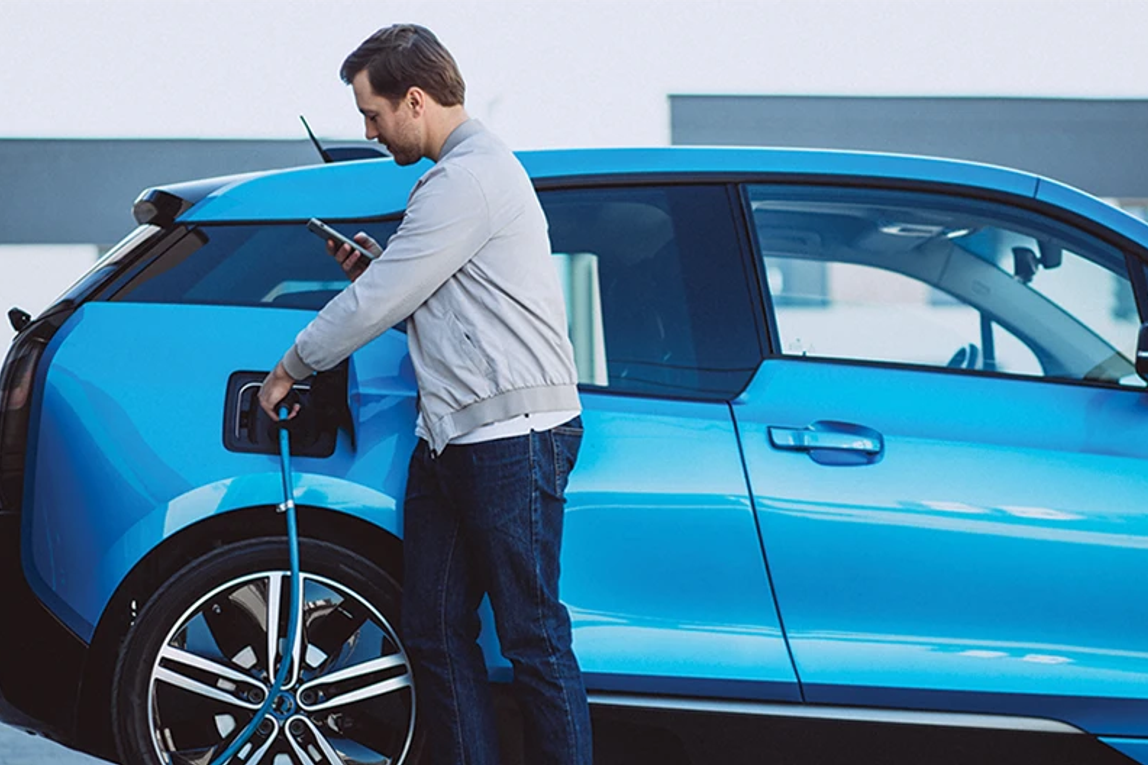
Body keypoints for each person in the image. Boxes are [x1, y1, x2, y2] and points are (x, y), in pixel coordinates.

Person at [257, 23, 592, 765]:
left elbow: (381, 302)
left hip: (512, 437)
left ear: (415, 99)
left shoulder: (468, 177)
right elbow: (437, 302)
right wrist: (377, 269)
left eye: (373, 114)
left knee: (533, 637)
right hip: (451, 438)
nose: (368, 131)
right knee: (434, 631)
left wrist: (292, 364)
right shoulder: (461, 181)